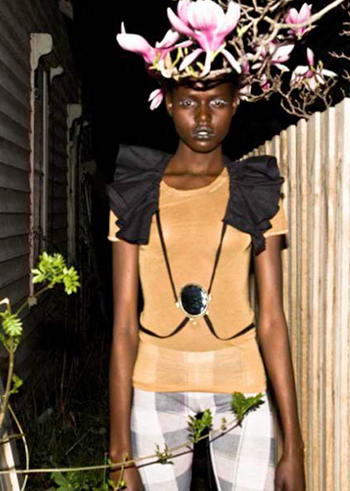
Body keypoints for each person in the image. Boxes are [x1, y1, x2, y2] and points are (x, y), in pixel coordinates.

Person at [106, 74, 305, 491]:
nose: (201, 117)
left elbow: (271, 319)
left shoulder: (255, 190)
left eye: (216, 103)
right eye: (187, 103)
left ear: (235, 104)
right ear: (168, 104)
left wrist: (294, 445)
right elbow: (124, 326)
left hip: (241, 385)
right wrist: (118, 452)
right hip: (156, 385)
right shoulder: (136, 190)